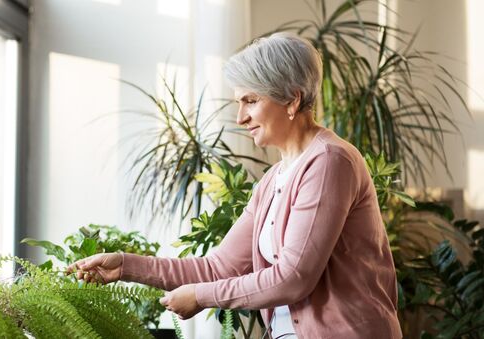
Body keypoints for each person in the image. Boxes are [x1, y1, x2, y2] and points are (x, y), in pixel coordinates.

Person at [67, 32, 402, 339]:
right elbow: (219, 267)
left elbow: (293, 278)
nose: (240, 116)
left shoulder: (329, 161)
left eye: (251, 100)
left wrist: (201, 296)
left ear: (292, 100)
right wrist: (125, 265)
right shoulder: (273, 181)